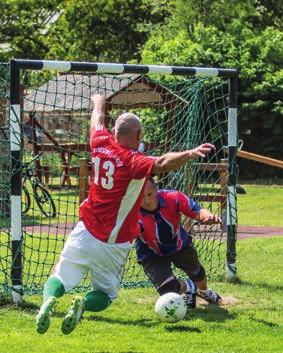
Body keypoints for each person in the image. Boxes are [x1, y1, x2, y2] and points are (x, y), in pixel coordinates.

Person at [35, 94, 215, 335]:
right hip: (114, 242)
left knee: (59, 276)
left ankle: (48, 302)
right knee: (106, 295)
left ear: (115, 131)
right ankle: (84, 304)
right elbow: (161, 162)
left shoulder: (99, 142)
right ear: (138, 135)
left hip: (85, 230)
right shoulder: (132, 160)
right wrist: (189, 153)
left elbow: (97, 119)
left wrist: (98, 100)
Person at [136, 177, 222, 308]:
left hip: (180, 245)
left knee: (197, 272)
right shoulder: (131, 212)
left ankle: (204, 292)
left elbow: (197, 211)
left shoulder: (173, 197)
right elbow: (128, 233)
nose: (147, 201)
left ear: (156, 191)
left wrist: (207, 217)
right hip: (150, 253)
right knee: (167, 290)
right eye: (141, 196)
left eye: (149, 194)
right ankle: (189, 286)